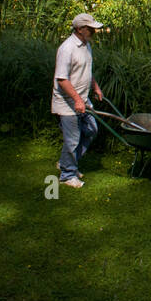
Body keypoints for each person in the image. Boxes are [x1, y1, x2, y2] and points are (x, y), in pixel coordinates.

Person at [52, 13, 106, 188]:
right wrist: (77, 100)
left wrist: (95, 87)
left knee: (91, 130)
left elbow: (86, 71)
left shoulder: (86, 45)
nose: (94, 32)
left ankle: (65, 163)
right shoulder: (67, 49)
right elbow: (62, 79)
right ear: (80, 29)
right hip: (68, 102)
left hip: (82, 98)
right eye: (91, 29)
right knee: (73, 139)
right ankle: (68, 175)